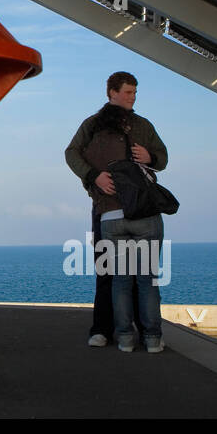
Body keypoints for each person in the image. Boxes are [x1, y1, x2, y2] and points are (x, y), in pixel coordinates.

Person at [65, 72, 169, 353]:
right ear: (112, 92)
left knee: (131, 278)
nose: (133, 97)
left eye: (134, 92)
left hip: (138, 207)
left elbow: (163, 158)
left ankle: (133, 333)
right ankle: (103, 329)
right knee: (107, 272)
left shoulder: (143, 125)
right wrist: (93, 176)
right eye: (127, 92)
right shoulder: (92, 125)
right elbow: (71, 153)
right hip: (106, 209)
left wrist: (151, 157)